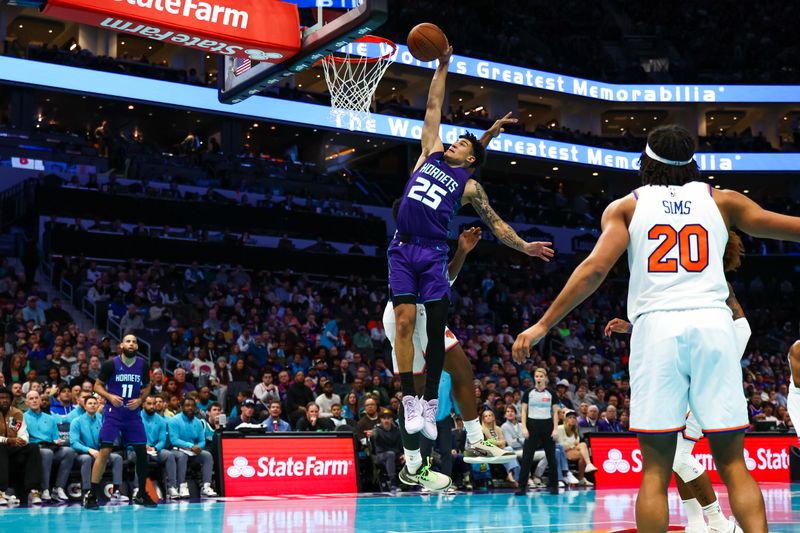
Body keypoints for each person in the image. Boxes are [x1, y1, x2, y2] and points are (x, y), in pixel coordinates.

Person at [513, 124, 800, 532]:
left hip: (657, 331)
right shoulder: (721, 200)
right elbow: (786, 225)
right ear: (693, 163)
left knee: (655, 471)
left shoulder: (626, 207)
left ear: (645, 162)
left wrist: (543, 325)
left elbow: (594, 269)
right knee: (734, 464)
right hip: (713, 324)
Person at [389, 44, 552, 451]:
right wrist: (443, 65)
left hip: (432, 254)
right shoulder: (429, 153)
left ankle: (431, 408)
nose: (455, 141)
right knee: (405, 322)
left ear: (469, 160)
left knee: (446, 352)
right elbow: (433, 104)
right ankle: (412, 403)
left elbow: (495, 223)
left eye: (462, 143)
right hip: (402, 248)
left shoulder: (470, 185)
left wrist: (524, 248)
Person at [603, 240, 751, 533]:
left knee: (679, 457)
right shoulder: (700, 290)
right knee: (676, 458)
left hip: (707, 374)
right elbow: (681, 329)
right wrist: (633, 327)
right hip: (700, 366)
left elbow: (737, 327)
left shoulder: (714, 287)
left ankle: (720, 523)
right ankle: (697, 523)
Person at [384, 227, 515, 492]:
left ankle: (421, 464)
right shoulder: (408, 239)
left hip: (421, 312)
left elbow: (445, 279)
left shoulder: (427, 236)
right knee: (441, 380)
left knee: (449, 378)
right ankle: (462, 445)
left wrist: (462, 252)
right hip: (411, 314)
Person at [86, 335, 156, 509]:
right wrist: (109, 396)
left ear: (137, 346)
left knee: (141, 452)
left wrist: (140, 400)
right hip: (113, 413)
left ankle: (141, 493)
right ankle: (92, 494)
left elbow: (147, 386)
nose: (131, 344)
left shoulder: (142, 364)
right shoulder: (111, 364)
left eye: (134, 341)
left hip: (132, 414)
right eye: (128, 341)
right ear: (122, 345)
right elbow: (97, 386)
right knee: (105, 451)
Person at [70, 395, 126, 504]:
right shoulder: (76, 421)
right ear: (84, 406)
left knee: (117, 458)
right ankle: (87, 491)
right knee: (87, 459)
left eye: (95, 403)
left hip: (101, 452)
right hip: (83, 453)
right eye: (90, 403)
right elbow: (74, 443)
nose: (93, 405)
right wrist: (89, 450)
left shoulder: (103, 419)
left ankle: (116, 491)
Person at [24, 389, 76, 502]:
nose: (34, 401)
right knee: (47, 453)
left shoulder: (50, 418)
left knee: (69, 451)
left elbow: (56, 437)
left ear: (40, 400)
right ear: (26, 402)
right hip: (34, 450)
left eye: (36, 398)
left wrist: (58, 441)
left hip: (50, 447)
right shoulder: (23, 417)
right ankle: (44, 489)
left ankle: (58, 488)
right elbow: (24, 439)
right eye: (31, 399)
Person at [515, 368, 560, 495]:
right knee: (527, 457)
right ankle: (521, 487)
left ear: (545, 378)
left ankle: (554, 486)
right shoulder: (528, 393)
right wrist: (524, 427)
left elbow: (555, 412)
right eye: (536, 376)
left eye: (541, 376)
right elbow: (523, 411)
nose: (538, 378)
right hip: (532, 425)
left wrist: (555, 429)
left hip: (547, 425)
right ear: (534, 378)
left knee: (551, 457)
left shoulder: (551, 393)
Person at [128, 393, 179, 500]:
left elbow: (162, 440)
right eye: (149, 404)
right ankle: (138, 489)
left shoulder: (161, 420)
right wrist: (142, 446)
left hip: (154, 450)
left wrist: (155, 448)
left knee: (169, 455)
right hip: (135, 450)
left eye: (154, 404)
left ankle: (171, 487)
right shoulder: (134, 418)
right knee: (141, 455)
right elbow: (130, 439)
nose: (152, 406)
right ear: (143, 404)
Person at [0, 385, 43, 505]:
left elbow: (24, 435)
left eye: (7, 398)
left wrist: (20, 441)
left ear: (11, 400)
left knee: (33, 447)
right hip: (1, 448)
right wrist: (8, 440)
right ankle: (1, 492)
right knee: (1, 447)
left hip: (14, 449)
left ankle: (33, 490)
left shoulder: (17, 413)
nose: (4, 400)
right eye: (1, 398)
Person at [168, 397, 218, 498]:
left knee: (207, 455)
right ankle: (181, 486)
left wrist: (199, 447)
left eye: (192, 405)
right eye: (187, 405)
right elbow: (174, 440)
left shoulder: (198, 422)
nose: (190, 408)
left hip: (193, 451)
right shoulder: (174, 420)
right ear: (182, 407)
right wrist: (191, 446)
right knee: (182, 456)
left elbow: (202, 440)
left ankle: (206, 486)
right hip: (177, 450)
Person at [479, 409, 520, 487]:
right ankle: (515, 477)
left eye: (490, 415)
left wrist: (493, 442)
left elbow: (503, 443)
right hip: (488, 452)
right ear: (483, 419)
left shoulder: (498, 429)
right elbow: (485, 444)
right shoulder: (481, 430)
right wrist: (496, 442)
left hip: (500, 450)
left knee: (509, 449)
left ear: (493, 417)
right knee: (509, 450)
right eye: (486, 416)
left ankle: (510, 474)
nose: (488, 417)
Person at [556, 409, 595, 486]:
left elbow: (576, 445)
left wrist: (573, 446)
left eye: (574, 417)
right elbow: (561, 446)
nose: (572, 419)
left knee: (583, 445)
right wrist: (572, 446)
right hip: (562, 453)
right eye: (570, 417)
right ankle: (582, 475)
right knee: (583, 453)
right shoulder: (560, 428)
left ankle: (587, 468)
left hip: (572, 451)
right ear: (566, 419)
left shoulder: (575, 430)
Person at [373, 408, 403, 487]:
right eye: (384, 418)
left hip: (396, 455)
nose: (386, 420)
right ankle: (393, 482)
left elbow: (401, 446)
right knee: (390, 454)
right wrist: (372, 435)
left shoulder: (397, 431)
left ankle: (411, 483)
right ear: (380, 420)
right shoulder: (377, 430)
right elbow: (374, 436)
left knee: (409, 457)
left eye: (388, 418)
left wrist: (403, 454)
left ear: (392, 419)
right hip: (380, 455)